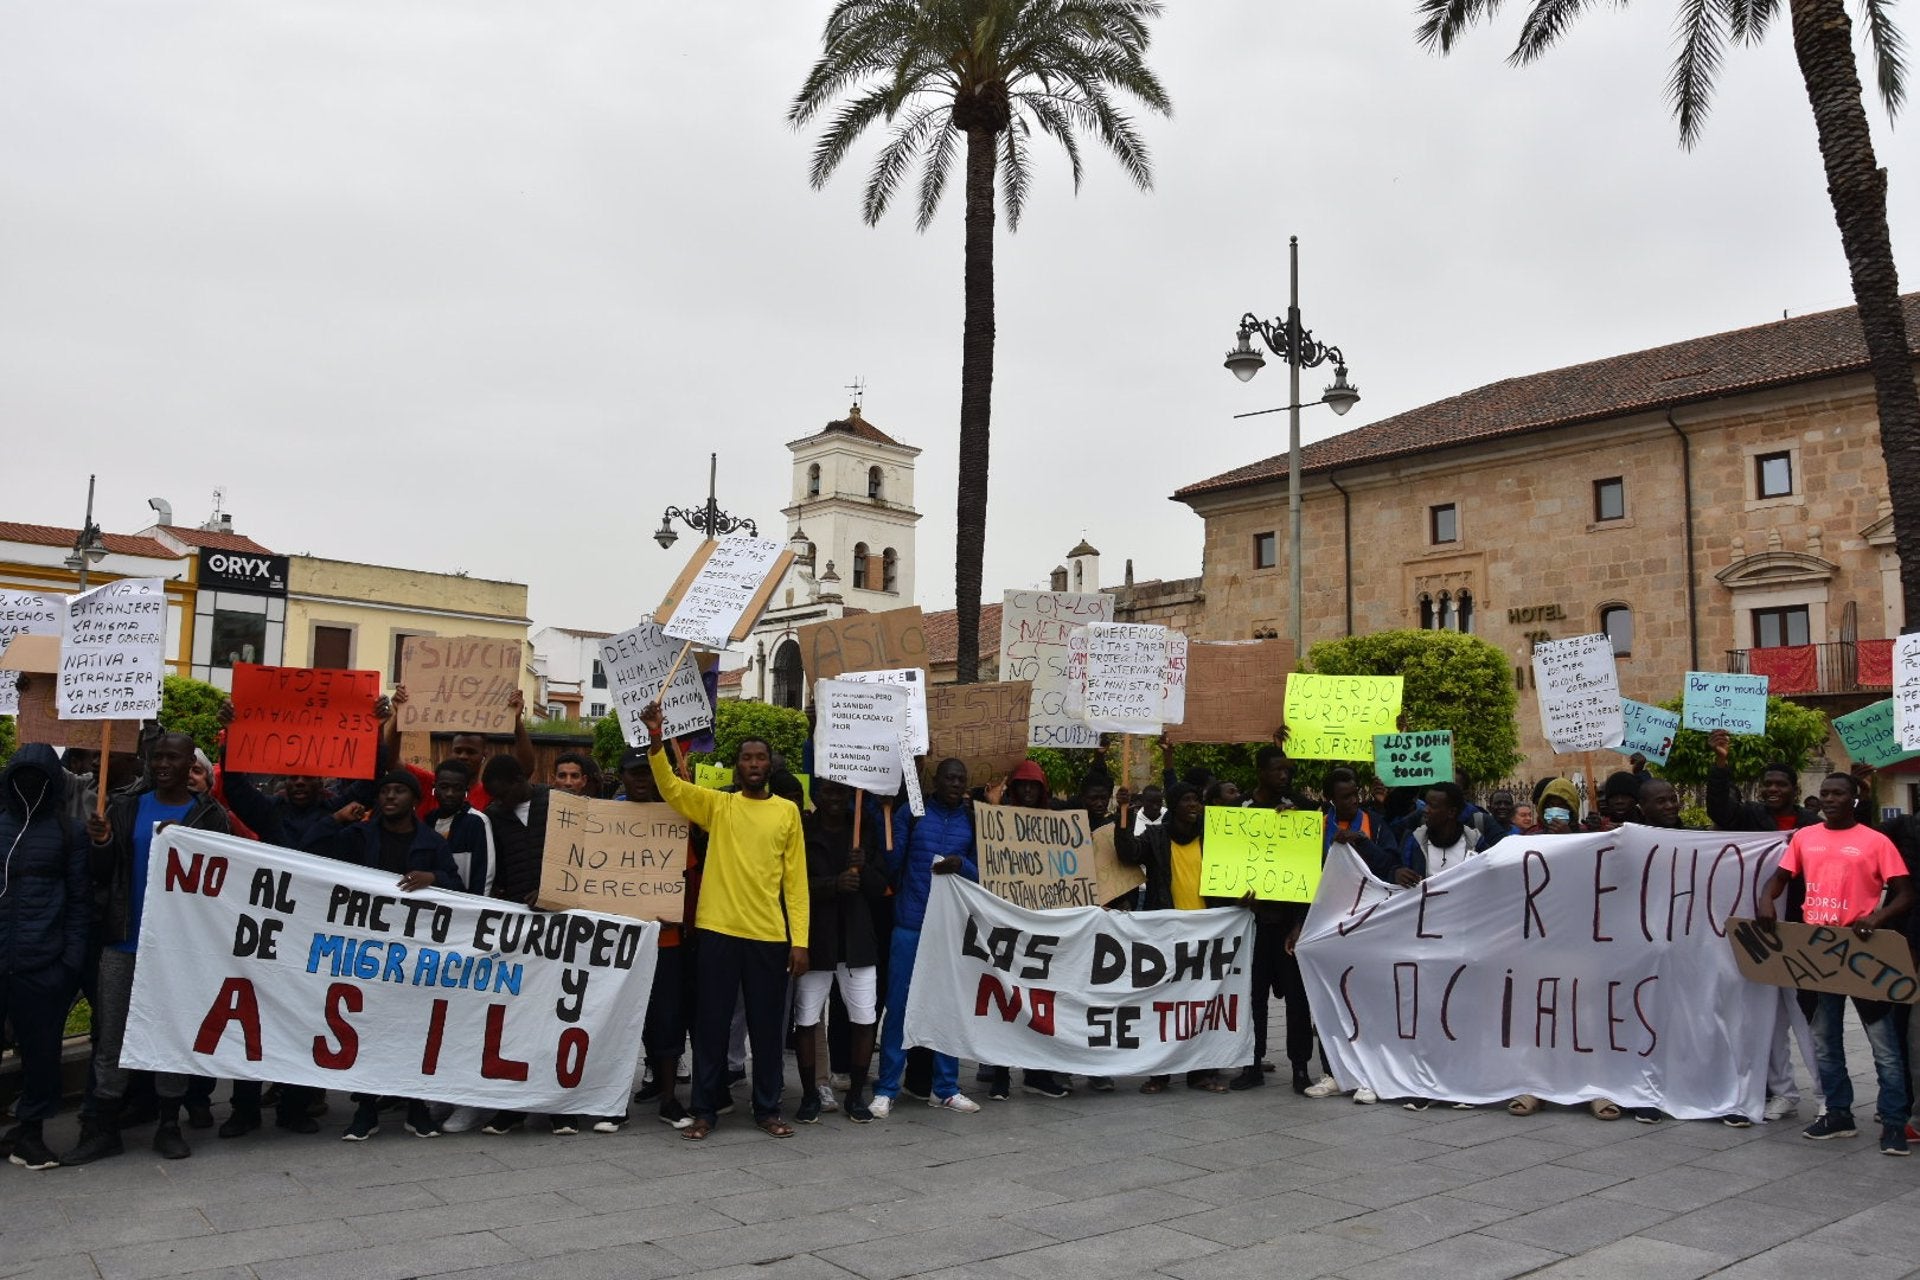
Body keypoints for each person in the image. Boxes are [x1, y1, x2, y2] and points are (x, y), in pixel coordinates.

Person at [639, 700, 809, 1140]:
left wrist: (800, 940)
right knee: (711, 1025)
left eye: (760, 757)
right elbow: (672, 790)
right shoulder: (719, 807)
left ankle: (768, 1108)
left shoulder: (787, 812)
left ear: (770, 764)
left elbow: (796, 883)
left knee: (768, 1029)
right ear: (736, 767)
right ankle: (705, 1110)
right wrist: (657, 739)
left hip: (769, 936)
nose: (754, 764)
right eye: (746, 758)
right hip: (717, 932)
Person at [63, 731, 232, 1165]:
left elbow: (223, 883)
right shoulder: (125, 808)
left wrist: (189, 848)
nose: (162, 765)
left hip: (178, 948)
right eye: (156, 757)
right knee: (113, 1035)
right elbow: (103, 874)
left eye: (172, 758)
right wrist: (100, 842)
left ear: (187, 763)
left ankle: (168, 1124)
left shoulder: (208, 816)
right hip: (124, 939)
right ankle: (102, 1126)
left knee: (171, 1032)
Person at [1756, 773, 1914, 1155]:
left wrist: (1876, 919)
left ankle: (1894, 1121)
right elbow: (1778, 879)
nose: (1829, 799)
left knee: (1883, 1045)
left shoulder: (1876, 841)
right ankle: (1839, 1114)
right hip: (1817, 950)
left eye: (1837, 793)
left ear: (1854, 798)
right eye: (1824, 793)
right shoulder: (1805, 838)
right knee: (1825, 1040)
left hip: (1862, 951)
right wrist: (1765, 901)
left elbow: (1906, 894)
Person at [303, 770, 465, 1140]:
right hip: (366, 949)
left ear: (414, 799)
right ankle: (366, 1108)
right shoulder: (358, 835)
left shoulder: (432, 843)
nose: (390, 797)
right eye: (385, 791)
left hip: (414, 951)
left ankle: (415, 1107)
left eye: (399, 791)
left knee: (412, 1028)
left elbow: (458, 886)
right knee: (367, 1027)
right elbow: (308, 851)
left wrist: (434, 878)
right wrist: (334, 819)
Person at [873, 757, 981, 1117]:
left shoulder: (971, 820)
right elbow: (890, 863)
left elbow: (986, 874)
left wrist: (960, 865)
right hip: (911, 923)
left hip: (950, 929)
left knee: (948, 1008)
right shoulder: (912, 814)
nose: (955, 783)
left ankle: (946, 1088)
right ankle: (886, 1088)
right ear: (936, 780)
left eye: (960, 778)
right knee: (900, 1007)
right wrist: (886, 818)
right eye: (949, 777)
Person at [0, 744, 91, 1171]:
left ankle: (31, 1134)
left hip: (43, 965)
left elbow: (79, 903)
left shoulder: (69, 833)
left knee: (42, 1056)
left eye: (38, 779)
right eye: (23, 777)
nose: (29, 787)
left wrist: (67, 964)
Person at [1114, 781, 1230, 1095]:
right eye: (1189, 800)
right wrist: (1122, 812)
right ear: (1175, 806)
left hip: (1207, 933)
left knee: (1203, 1005)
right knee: (1164, 1005)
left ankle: (1201, 1073)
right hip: (1168, 934)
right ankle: (1160, 1074)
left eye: (1197, 800)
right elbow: (1127, 852)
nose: (1195, 805)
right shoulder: (1156, 837)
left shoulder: (1211, 837)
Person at [602, 747, 696, 1132]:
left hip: (667, 941)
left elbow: (688, 876)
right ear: (621, 777)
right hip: (620, 943)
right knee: (620, 1022)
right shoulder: (604, 820)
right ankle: (611, 1100)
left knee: (668, 1021)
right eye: (634, 773)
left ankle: (670, 1099)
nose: (641, 779)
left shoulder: (675, 819)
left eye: (647, 773)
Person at [793, 777, 885, 1123]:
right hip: (817, 940)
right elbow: (794, 883)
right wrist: (834, 883)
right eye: (828, 791)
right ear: (816, 795)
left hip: (857, 940)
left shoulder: (864, 828)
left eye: (841, 792)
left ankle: (857, 1095)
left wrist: (864, 866)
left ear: (850, 795)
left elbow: (880, 885)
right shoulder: (803, 829)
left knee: (864, 1019)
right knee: (806, 1019)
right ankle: (809, 1095)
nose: (834, 798)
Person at [985, 760, 1073, 1101]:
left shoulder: (1054, 824)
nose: (1027, 791)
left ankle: (1038, 1073)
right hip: (1007, 924)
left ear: (1042, 790)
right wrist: (992, 810)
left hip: (1042, 928)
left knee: (1040, 1002)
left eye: (1033, 786)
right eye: (1022, 785)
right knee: (1006, 999)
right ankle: (1001, 1073)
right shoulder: (997, 820)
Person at [1238, 743, 1314, 1094]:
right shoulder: (1242, 811)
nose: (1284, 776)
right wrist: (1237, 893)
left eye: (1288, 771)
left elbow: (1307, 872)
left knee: (1298, 999)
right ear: (1261, 772)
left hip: (1288, 922)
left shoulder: (1299, 810)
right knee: (1253, 998)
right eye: (1278, 770)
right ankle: (1252, 1063)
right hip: (1255, 922)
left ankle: (1300, 1068)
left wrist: (1300, 923)